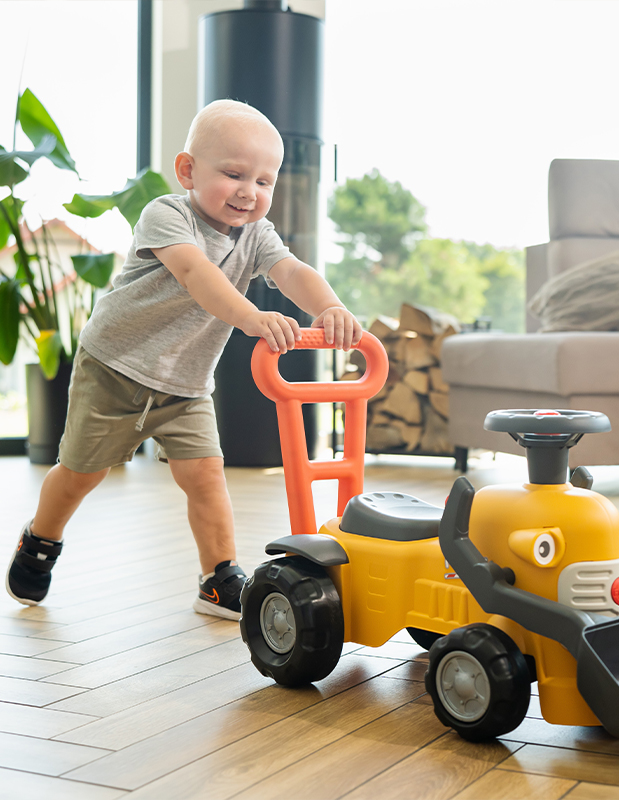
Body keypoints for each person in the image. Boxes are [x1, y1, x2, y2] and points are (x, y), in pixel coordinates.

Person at [6, 99, 362, 619]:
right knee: (82, 473)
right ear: (188, 171)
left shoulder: (257, 234)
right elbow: (197, 275)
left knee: (206, 475)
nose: (249, 191)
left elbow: (291, 271)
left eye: (264, 181)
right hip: (115, 367)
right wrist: (251, 317)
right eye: (234, 174)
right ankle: (42, 538)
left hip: (186, 385)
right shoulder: (167, 214)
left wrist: (330, 306)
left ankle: (218, 577)